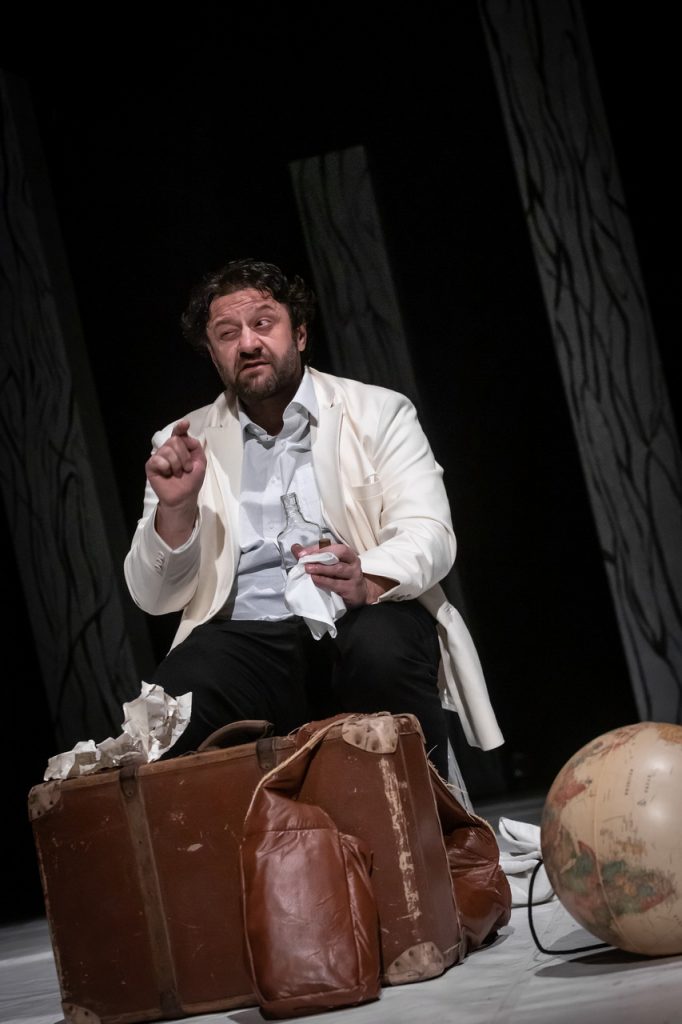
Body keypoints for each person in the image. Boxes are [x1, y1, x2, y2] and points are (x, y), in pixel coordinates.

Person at [124, 258, 503, 776]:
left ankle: (426, 815)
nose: (248, 343)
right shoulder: (183, 443)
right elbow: (153, 597)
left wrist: (367, 577)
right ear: (213, 355)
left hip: (357, 613)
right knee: (171, 702)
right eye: (228, 334)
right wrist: (176, 509)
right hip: (246, 636)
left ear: (299, 334)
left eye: (263, 323)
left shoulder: (379, 412)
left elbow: (430, 533)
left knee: (381, 648)